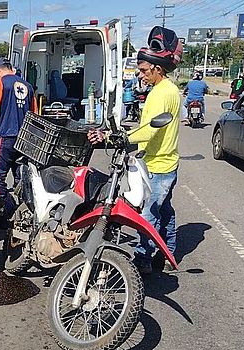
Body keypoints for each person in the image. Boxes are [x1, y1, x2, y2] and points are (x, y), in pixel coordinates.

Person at [89, 26, 183, 274]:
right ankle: (169, 249)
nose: (140, 75)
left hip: (160, 165)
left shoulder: (161, 94)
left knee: (149, 215)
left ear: (157, 69)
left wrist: (114, 137)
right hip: (163, 161)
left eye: (143, 70)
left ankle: (143, 260)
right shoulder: (166, 90)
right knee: (165, 210)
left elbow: (148, 131)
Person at [0, 57, 37, 202]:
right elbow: (35, 114)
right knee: (22, 177)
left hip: (5, 136)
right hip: (24, 139)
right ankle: (23, 209)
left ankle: (0, 214)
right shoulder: (28, 86)